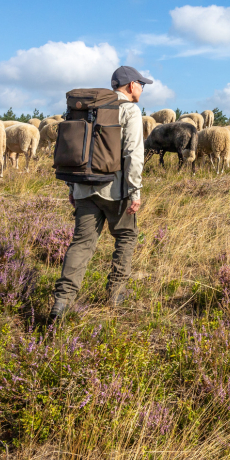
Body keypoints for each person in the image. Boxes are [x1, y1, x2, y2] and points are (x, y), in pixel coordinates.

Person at [50, 66, 152, 319]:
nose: (142, 88)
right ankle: (116, 294)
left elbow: (78, 150)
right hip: (115, 189)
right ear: (131, 85)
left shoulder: (88, 110)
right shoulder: (129, 110)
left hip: (84, 186)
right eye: (142, 84)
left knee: (81, 244)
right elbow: (133, 154)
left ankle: (62, 302)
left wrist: (74, 187)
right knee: (126, 236)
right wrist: (134, 190)